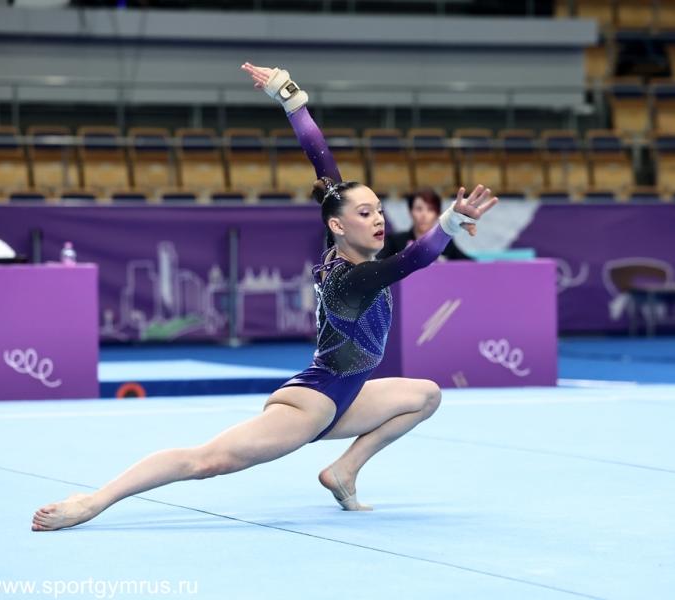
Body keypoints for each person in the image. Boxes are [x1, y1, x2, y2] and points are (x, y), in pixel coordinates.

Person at [31, 62, 497, 531]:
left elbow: (322, 163)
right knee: (206, 460)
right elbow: (412, 259)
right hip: (311, 404)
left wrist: (291, 100)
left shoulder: (344, 246)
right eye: (364, 213)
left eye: (378, 210)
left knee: (425, 395)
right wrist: (450, 223)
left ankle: (344, 471)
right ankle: (93, 501)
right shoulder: (352, 279)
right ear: (338, 225)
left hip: (347, 395)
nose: (377, 219)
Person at [376, 186, 472, 261]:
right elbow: (376, 264)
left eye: (430, 209)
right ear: (410, 211)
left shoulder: (445, 243)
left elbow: (471, 265)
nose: (424, 215)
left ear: (437, 214)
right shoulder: (394, 242)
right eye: (419, 209)